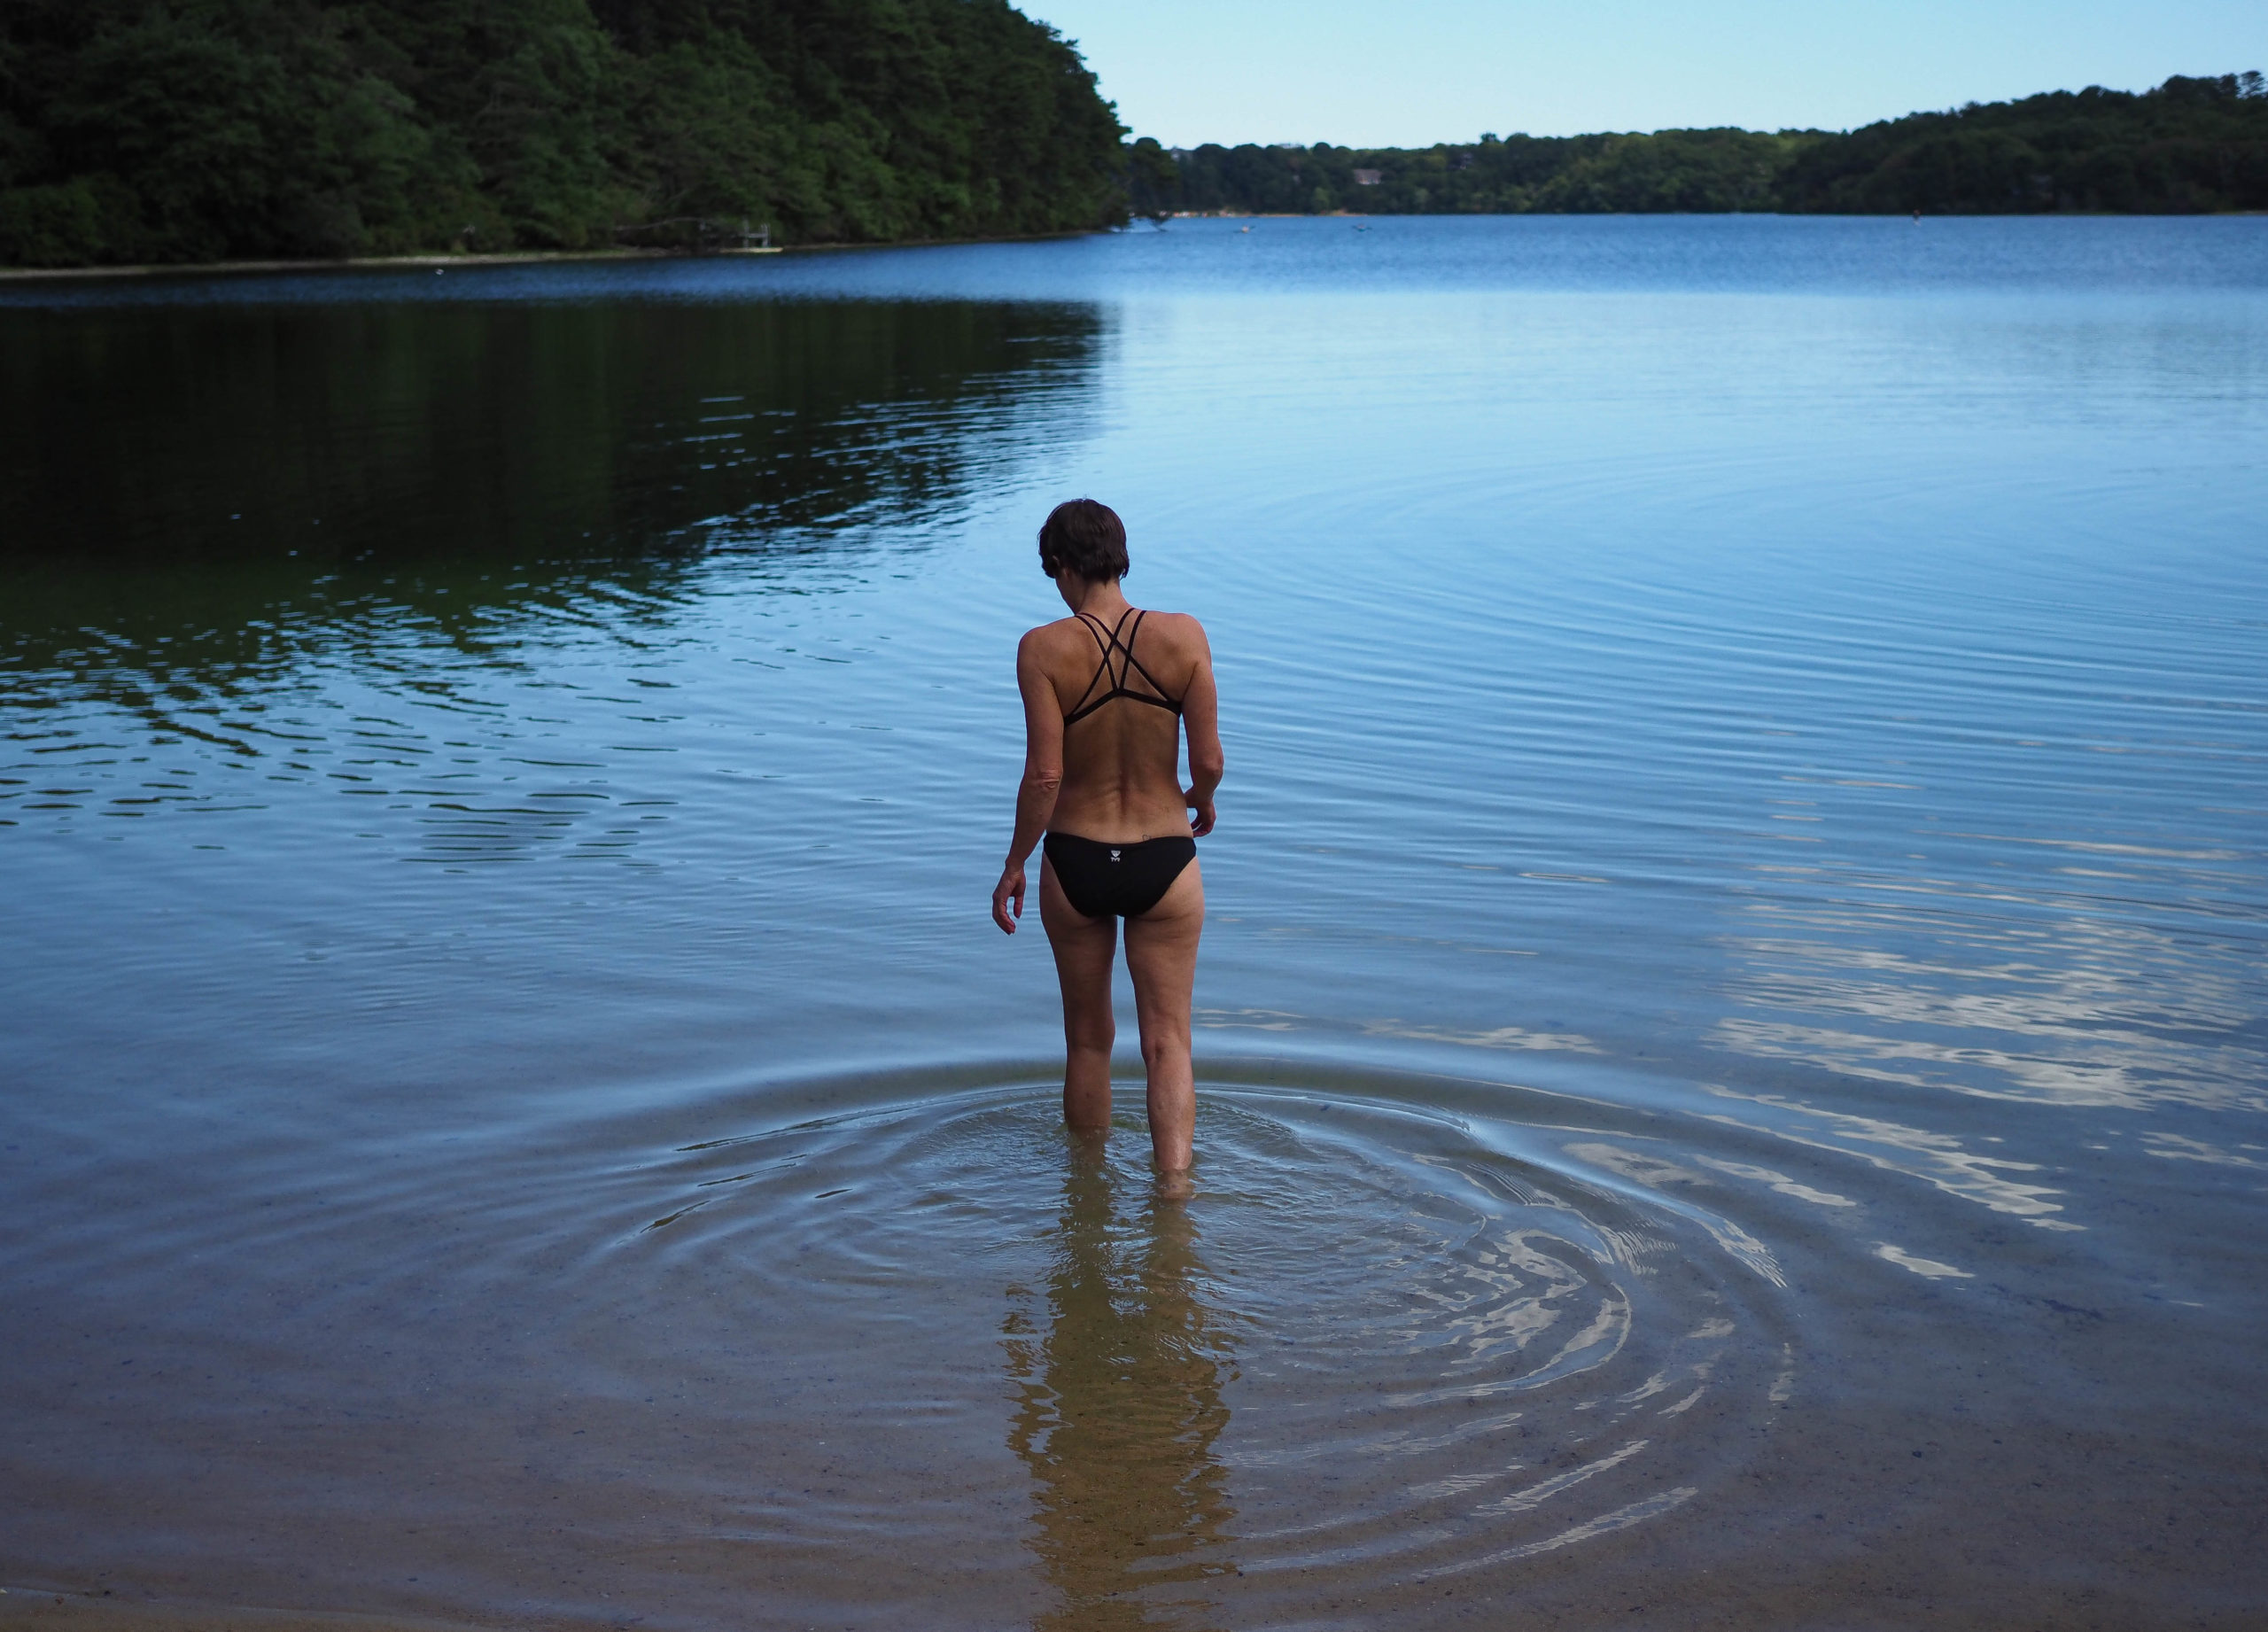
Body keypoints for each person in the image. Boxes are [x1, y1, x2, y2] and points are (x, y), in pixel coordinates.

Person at [991, 500, 1223, 1173]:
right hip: (1166, 860)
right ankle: (1174, 1194)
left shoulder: (1042, 649)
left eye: (1052, 573)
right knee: (1169, 1043)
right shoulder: (1185, 637)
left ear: (1062, 566)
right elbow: (1208, 762)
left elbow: (1044, 776)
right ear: (1118, 556)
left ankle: (1087, 1194)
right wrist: (1197, 802)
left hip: (1077, 858)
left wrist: (1014, 862)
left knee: (1089, 1043)